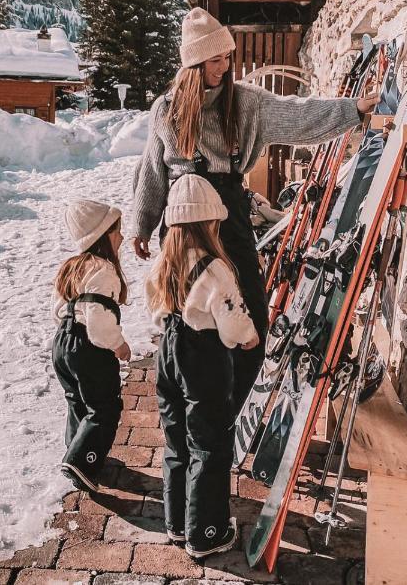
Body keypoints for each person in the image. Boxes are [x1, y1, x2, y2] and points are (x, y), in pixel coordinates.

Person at [133, 7, 377, 413]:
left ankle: (228, 406)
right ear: (194, 63)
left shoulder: (246, 103)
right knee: (188, 317)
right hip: (181, 224)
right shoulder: (167, 109)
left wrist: (353, 110)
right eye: (216, 59)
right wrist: (142, 223)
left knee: (252, 315)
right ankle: (193, 406)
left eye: (227, 57)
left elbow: (299, 114)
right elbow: (151, 170)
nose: (225, 66)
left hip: (227, 214)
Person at [145, 174, 259, 558]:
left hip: (170, 349)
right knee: (209, 442)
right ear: (212, 223)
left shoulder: (165, 262)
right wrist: (248, 336)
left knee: (176, 438)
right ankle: (206, 531)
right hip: (203, 357)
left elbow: (154, 307)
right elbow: (231, 317)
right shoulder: (216, 270)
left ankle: (177, 522)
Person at [52, 199, 131, 493]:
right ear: (103, 236)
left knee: (78, 401)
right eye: (117, 231)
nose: (122, 237)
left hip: (62, 342)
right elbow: (98, 318)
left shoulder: (72, 267)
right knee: (105, 408)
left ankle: (80, 456)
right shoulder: (104, 270)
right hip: (89, 345)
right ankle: (82, 462)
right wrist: (118, 345)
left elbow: (57, 310)